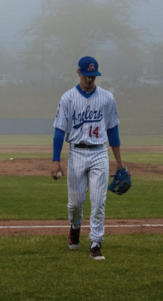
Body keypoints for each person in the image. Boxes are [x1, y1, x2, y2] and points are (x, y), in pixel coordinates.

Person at [51, 56, 124, 260]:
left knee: (98, 200)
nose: (90, 79)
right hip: (76, 153)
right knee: (75, 204)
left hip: (100, 151)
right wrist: (55, 160)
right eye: (86, 75)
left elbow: (113, 131)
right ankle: (75, 227)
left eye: (93, 75)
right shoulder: (68, 98)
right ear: (78, 73)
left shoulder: (107, 98)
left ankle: (95, 243)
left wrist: (119, 163)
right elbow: (59, 131)